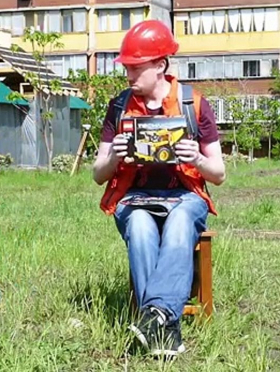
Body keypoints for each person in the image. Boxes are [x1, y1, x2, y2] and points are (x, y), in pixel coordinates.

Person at [92, 20, 226, 357]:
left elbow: (219, 173)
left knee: (180, 223)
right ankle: (164, 325)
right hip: (134, 198)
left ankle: (155, 316)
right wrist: (115, 159)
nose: (129, 76)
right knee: (138, 226)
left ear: (161, 66)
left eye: (136, 68)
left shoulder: (193, 104)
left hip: (186, 195)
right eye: (127, 68)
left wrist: (196, 157)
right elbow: (97, 173)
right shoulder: (120, 107)